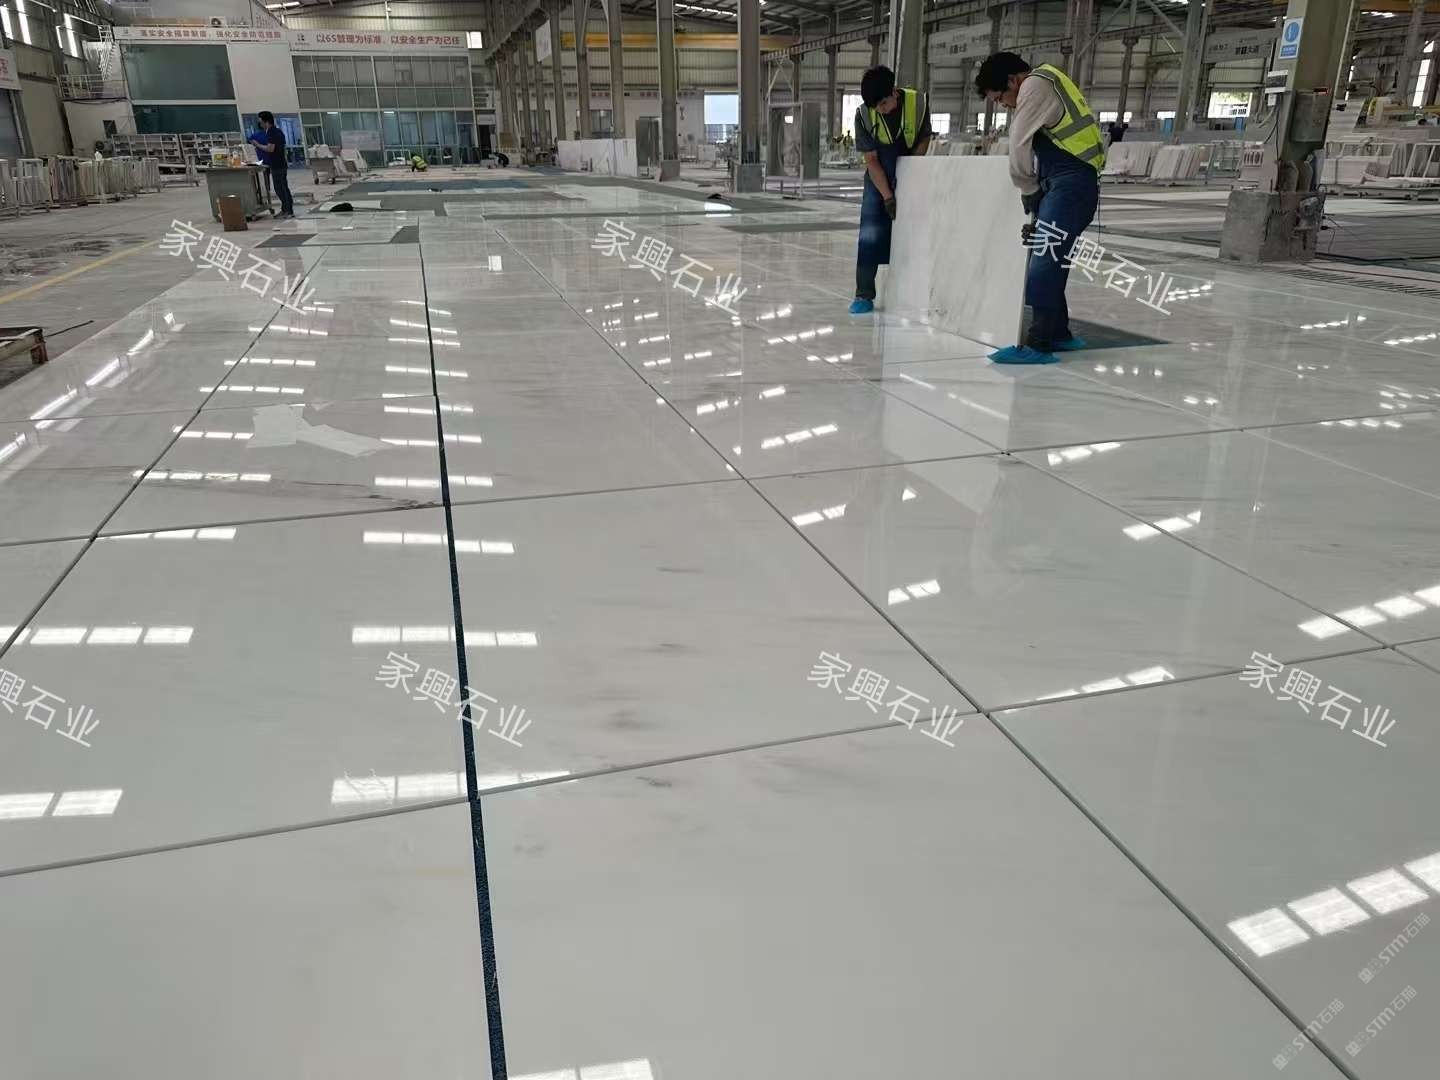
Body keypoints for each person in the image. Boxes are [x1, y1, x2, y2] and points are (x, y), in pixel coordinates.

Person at [976, 52, 1104, 363]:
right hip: (1070, 181)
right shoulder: (1048, 79)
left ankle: (1039, 343)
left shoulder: (1034, 86)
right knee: (1050, 255)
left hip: (1071, 183)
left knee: (1044, 260)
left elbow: (1018, 142)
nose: (1004, 105)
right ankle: (1058, 333)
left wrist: (1028, 188)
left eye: (1000, 98)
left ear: (1012, 81)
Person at [849, 65, 931, 315]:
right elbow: (871, 160)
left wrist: (910, 176)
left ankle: (912, 292)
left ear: (894, 92)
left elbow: (923, 139)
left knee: (913, 234)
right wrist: (887, 197)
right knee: (870, 233)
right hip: (878, 177)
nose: (881, 110)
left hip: (910, 171)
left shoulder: (918, 104)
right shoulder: (864, 115)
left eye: (884, 104)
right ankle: (864, 294)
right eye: (877, 107)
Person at [249, 111, 294, 219]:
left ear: (266, 121)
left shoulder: (272, 132)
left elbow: (270, 149)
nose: (260, 124)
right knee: (282, 187)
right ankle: (286, 209)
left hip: (277, 164)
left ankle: (288, 210)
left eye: (261, 122)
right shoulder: (276, 131)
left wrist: (257, 145)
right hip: (279, 163)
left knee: (280, 188)